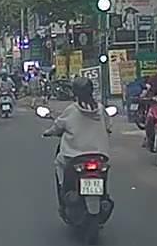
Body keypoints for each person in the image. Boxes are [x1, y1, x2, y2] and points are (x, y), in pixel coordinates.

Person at [42, 77, 111, 206]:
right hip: (100, 154)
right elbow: (108, 126)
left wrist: (49, 132)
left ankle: (63, 188)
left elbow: (58, 125)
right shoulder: (100, 109)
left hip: (74, 155)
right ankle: (104, 195)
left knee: (59, 163)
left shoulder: (72, 110)